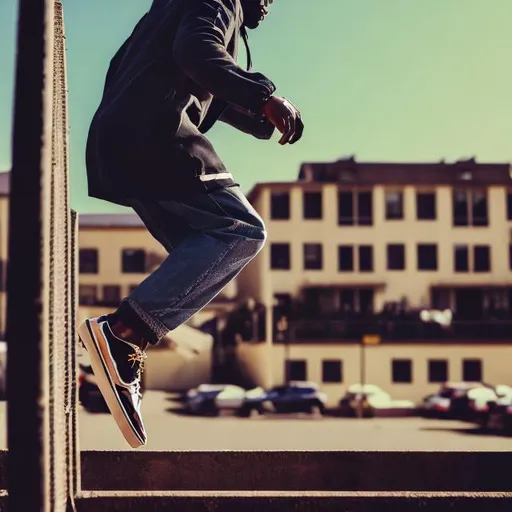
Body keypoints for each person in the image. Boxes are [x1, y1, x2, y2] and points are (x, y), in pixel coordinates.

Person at [78, 0, 304, 448]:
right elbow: (198, 52)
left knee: (202, 253)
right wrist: (263, 96)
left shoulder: (168, 9)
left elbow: (168, 66)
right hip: (157, 137)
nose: (268, 7)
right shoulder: (218, 1)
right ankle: (124, 333)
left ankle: (113, 358)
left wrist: (256, 111)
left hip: (119, 146)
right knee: (239, 230)